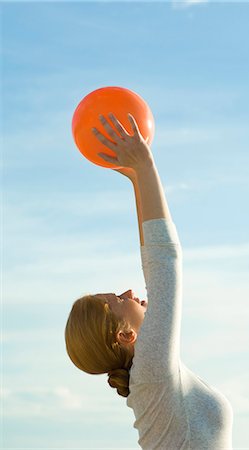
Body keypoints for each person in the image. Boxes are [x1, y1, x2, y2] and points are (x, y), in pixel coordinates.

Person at [65, 112, 234, 449]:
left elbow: (156, 260)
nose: (129, 291)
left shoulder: (151, 378)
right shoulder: (152, 371)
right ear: (125, 335)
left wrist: (135, 181)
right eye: (117, 299)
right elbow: (164, 265)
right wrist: (146, 168)